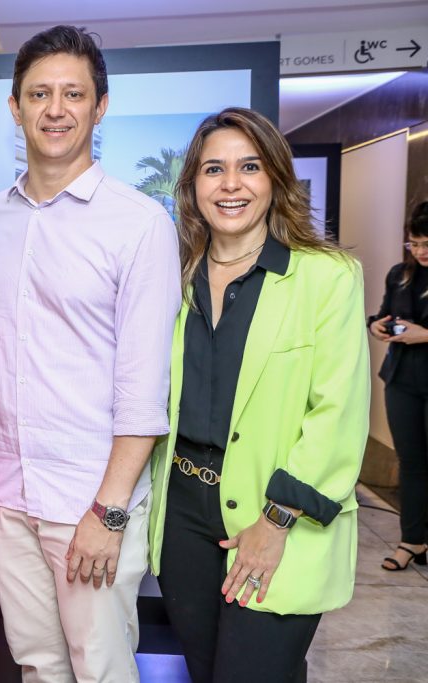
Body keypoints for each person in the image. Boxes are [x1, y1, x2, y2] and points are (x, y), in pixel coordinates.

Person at [0, 25, 180, 682]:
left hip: (90, 496)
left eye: (72, 94)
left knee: (103, 669)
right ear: (15, 107)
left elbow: (145, 389)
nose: (54, 109)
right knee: (38, 666)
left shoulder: (140, 223)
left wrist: (109, 511)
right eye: (38, 94)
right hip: (6, 490)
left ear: (100, 105)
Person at [149, 107, 370, 682]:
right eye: (212, 169)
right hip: (184, 518)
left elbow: (337, 414)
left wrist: (275, 521)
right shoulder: (173, 275)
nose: (230, 184)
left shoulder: (327, 276)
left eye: (248, 167)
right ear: (192, 185)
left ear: (274, 177)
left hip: (277, 514)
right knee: (205, 670)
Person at [369, 201, 428, 571]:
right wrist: (375, 325)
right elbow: (385, 313)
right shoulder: (400, 274)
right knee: (411, 463)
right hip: (402, 379)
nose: (420, 252)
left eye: (427, 244)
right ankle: (412, 541)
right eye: (415, 244)